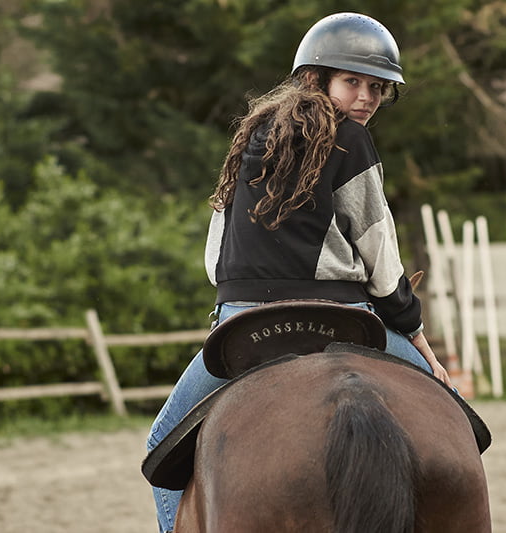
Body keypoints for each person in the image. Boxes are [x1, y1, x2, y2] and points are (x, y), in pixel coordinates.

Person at [146, 12, 453, 532]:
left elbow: (214, 254)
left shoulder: (247, 140)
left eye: (377, 88)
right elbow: (379, 251)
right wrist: (419, 336)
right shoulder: (353, 141)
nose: (366, 98)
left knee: (161, 445)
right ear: (317, 78)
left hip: (243, 319)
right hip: (344, 314)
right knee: (451, 421)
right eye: (353, 81)